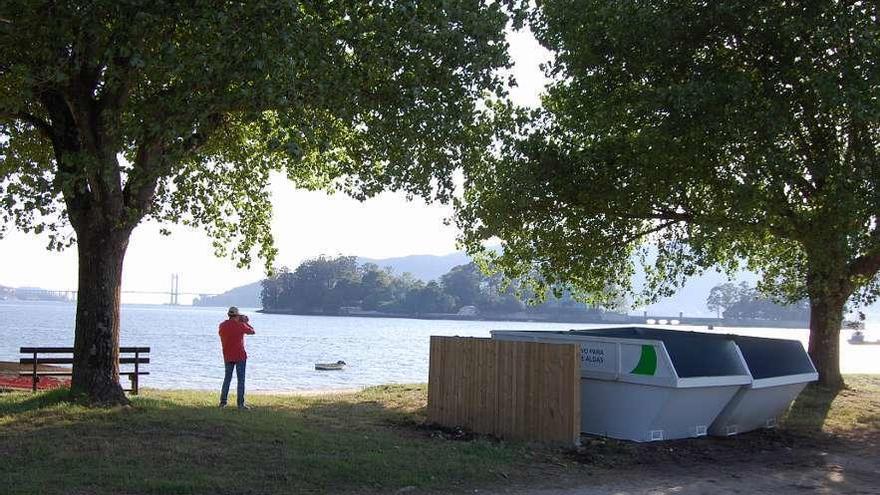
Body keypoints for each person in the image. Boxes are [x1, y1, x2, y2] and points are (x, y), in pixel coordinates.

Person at [218, 306, 255, 409]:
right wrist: (245, 322)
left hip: (227, 355)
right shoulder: (240, 325)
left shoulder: (222, 325)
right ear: (237, 316)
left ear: (229, 315)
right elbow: (252, 331)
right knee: (241, 380)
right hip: (240, 356)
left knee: (227, 379)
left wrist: (240, 322)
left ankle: (223, 402)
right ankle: (240, 404)